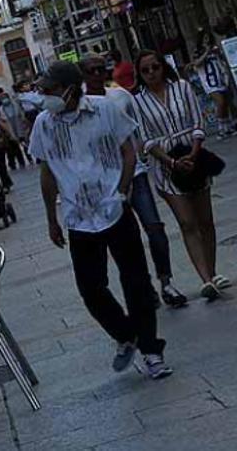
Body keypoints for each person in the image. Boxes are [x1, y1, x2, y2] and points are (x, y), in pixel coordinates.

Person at [30, 61, 172, 380]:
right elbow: (46, 170)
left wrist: (122, 189)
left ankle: (151, 349)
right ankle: (126, 334)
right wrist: (51, 218)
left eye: (50, 90)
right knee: (91, 288)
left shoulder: (105, 109)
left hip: (113, 208)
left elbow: (128, 151)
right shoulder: (44, 123)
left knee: (135, 280)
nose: (45, 96)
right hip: (79, 217)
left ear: (69, 89)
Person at [79, 56, 187, 308]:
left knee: (154, 227)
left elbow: (138, 132)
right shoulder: (79, 106)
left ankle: (166, 282)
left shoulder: (120, 97)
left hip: (135, 173)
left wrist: (150, 156)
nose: (97, 74)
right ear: (82, 76)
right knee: (126, 240)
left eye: (101, 68)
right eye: (91, 70)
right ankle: (145, 286)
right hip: (105, 182)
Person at [132, 50, 228, 301]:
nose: (152, 73)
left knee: (205, 219)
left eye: (155, 67)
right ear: (140, 74)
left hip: (193, 155)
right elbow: (145, 139)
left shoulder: (182, 87)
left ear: (163, 67)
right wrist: (171, 161)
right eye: (146, 70)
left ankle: (213, 271)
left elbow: (198, 122)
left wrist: (193, 155)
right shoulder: (137, 101)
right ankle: (205, 279)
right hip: (165, 165)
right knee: (187, 222)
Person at [0, 88, 29, 169]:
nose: (4, 99)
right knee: (13, 147)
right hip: (10, 129)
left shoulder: (15, 105)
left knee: (25, 143)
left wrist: (24, 123)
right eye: (2, 98)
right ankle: (15, 163)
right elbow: (1, 120)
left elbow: (22, 115)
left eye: (5, 97)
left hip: (19, 126)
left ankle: (28, 158)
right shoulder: (0, 109)